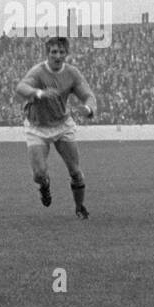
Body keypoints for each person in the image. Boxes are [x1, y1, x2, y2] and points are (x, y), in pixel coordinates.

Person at [14, 36, 98, 219]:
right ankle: (44, 185)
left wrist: (88, 108)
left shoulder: (72, 73)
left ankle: (79, 207)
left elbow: (88, 95)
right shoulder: (38, 72)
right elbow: (21, 87)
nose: (57, 56)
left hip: (62, 125)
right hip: (37, 126)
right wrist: (38, 93)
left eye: (61, 52)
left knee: (75, 171)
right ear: (48, 53)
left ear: (66, 54)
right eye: (54, 52)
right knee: (39, 174)